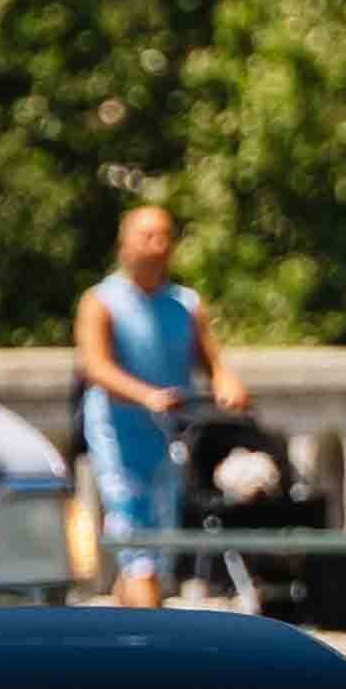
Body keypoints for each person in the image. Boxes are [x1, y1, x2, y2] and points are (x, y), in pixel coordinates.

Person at [70, 204, 250, 602]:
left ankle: (126, 638)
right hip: (119, 435)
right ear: (124, 243)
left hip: (168, 436)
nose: (158, 245)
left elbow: (212, 361)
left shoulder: (185, 304)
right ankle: (151, 642)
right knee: (136, 544)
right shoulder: (100, 301)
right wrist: (145, 395)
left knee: (157, 548)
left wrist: (226, 381)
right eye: (147, 236)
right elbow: (95, 367)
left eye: (165, 236)